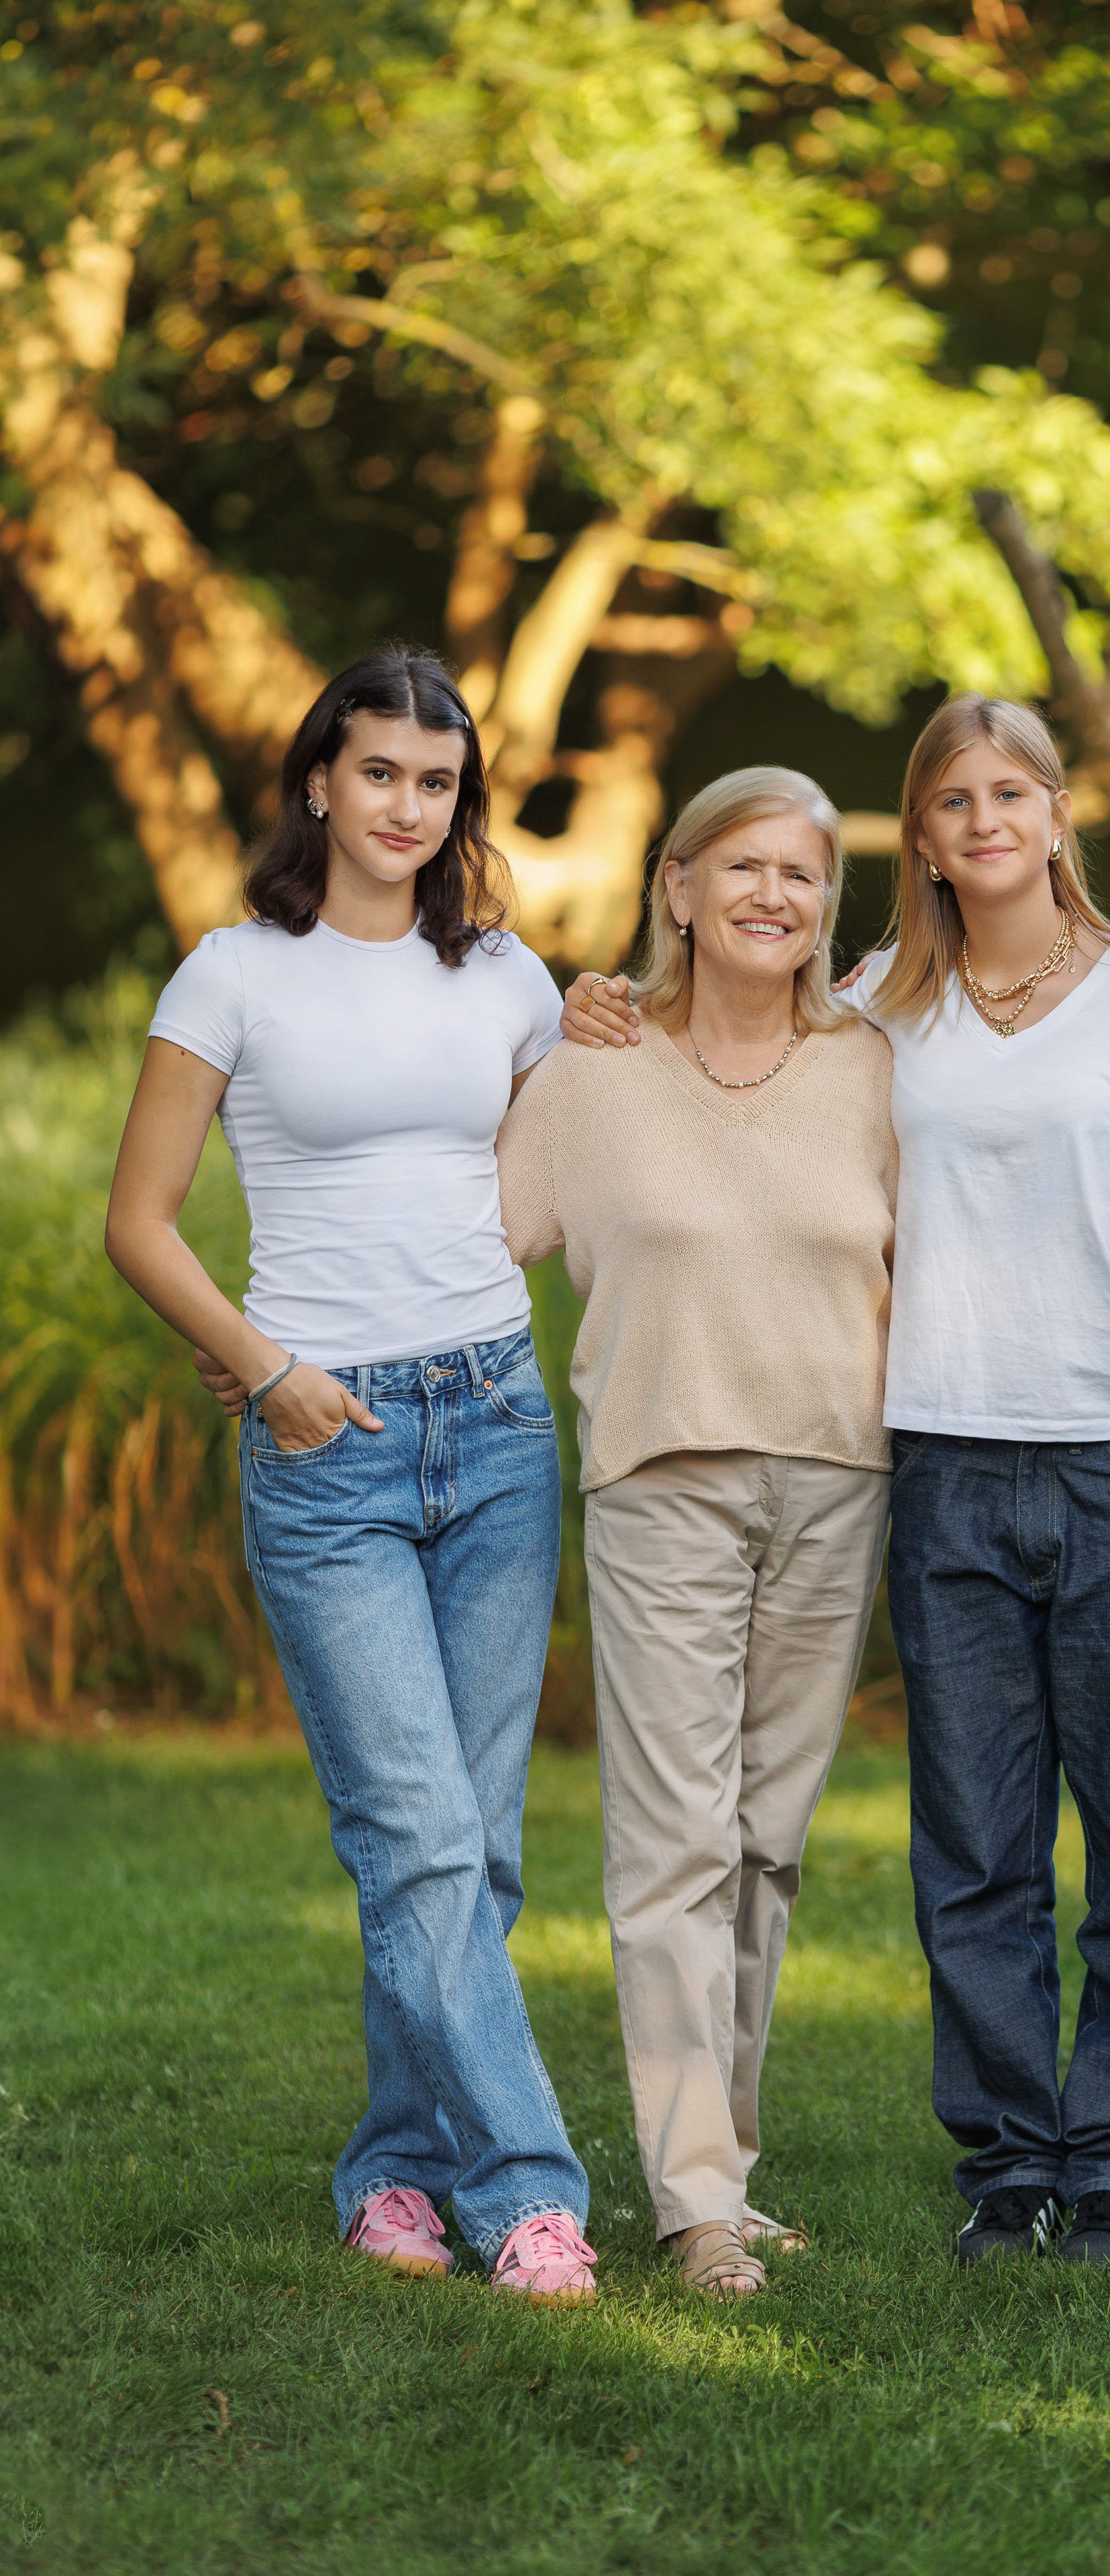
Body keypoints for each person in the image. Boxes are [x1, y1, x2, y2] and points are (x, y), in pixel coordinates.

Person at [568, 700, 1110, 2267]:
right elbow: (718, 1061)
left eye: (1010, 792)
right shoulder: (871, 1009)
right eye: (947, 800)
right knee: (972, 1841)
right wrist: (585, 1008)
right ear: (913, 840)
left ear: (1060, 815)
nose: (981, 820)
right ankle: (1005, 2163)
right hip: (928, 1447)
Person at [105, 647, 600, 2307]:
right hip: (330, 1443)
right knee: (413, 1833)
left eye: (436, 780)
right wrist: (268, 1373)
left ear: (461, 800)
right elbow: (141, 1223)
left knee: (476, 1845)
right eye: (377, 771)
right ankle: (530, 2192)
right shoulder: (233, 976)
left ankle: (395, 2172)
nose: (405, 805)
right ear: (318, 780)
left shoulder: (512, 981)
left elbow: (549, 1194)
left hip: (499, 1426)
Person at [497, 768, 898, 2299]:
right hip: (659, 1475)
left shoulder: (872, 1066)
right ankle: (693, 2202)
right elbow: (472, 1234)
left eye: (801, 877)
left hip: (835, 1482)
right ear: (675, 887)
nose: (773, 898)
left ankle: (719, 2159)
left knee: (765, 1842)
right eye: (741, 868)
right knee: (672, 1844)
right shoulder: (589, 1067)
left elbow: (983, 1215)